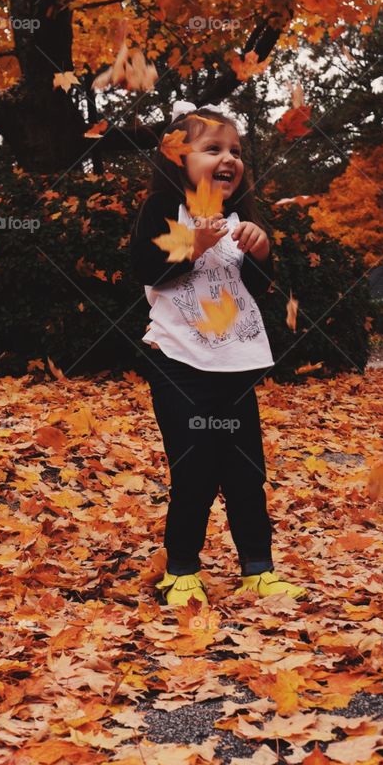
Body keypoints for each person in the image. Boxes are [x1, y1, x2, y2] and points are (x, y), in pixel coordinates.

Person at [130, 100, 308, 607]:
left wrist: (261, 252)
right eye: (213, 149)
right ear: (177, 160)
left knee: (247, 471)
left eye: (235, 150)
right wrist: (193, 244)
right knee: (195, 468)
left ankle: (258, 568)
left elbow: (258, 286)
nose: (228, 158)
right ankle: (182, 569)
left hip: (234, 364)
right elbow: (145, 267)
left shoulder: (237, 221)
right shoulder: (165, 213)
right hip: (178, 361)